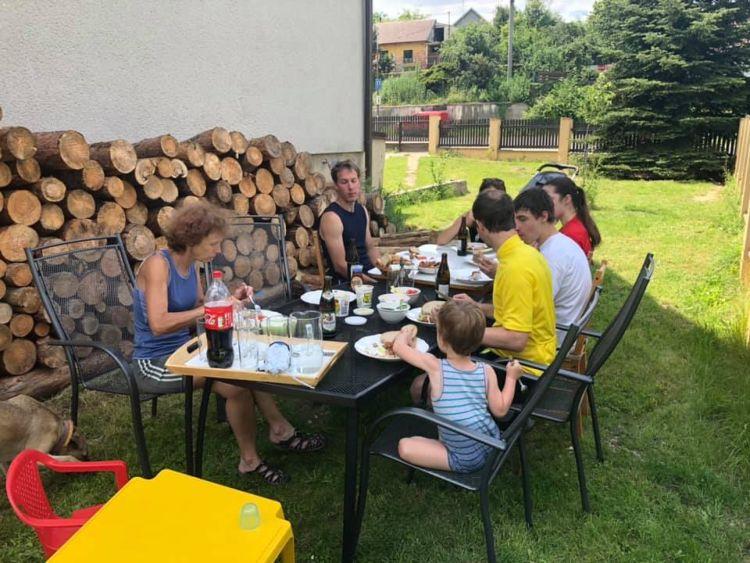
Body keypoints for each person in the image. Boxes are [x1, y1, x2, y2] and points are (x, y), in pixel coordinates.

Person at [132, 201, 325, 485]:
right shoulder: (158, 266)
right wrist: (215, 307)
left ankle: (279, 431)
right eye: (213, 244)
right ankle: (253, 458)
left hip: (190, 350)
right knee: (236, 384)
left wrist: (231, 298)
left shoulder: (191, 266)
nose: (219, 250)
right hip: (155, 362)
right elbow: (158, 324)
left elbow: (200, 306)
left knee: (249, 365)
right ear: (191, 240)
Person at [393, 301, 523, 473]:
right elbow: (500, 411)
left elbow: (398, 347)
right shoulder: (487, 371)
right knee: (419, 439)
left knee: (405, 446)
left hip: (464, 459)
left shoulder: (435, 367)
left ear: (441, 339)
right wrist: (511, 378)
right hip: (491, 444)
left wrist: (405, 333)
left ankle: (449, 448)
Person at [453, 190, 557, 378]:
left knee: (422, 385)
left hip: (521, 369)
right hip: (532, 359)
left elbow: (517, 339)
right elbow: (517, 311)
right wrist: (477, 307)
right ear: (512, 218)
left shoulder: (514, 268)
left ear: (480, 226)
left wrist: (460, 330)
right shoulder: (528, 254)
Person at [513, 188, 592, 344]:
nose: (516, 226)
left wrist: (480, 308)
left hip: (550, 341)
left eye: (523, 219)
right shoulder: (560, 244)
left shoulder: (553, 256)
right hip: (561, 331)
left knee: (469, 334)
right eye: (514, 219)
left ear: (544, 216)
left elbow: (526, 311)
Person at [319, 160, 380, 282]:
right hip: (347, 282)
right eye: (344, 182)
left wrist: (383, 272)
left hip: (370, 275)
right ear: (336, 186)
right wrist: (373, 282)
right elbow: (340, 266)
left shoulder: (362, 210)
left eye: (353, 180)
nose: (350, 187)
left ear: (359, 182)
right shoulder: (332, 218)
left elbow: (370, 249)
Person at [541, 176, 601, 260]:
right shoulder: (574, 225)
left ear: (567, 199)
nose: (543, 204)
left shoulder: (571, 234)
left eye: (549, 199)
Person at [435, 178, 506, 246]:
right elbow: (441, 240)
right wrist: (464, 221)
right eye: (486, 198)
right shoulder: (473, 215)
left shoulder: (507, 218)